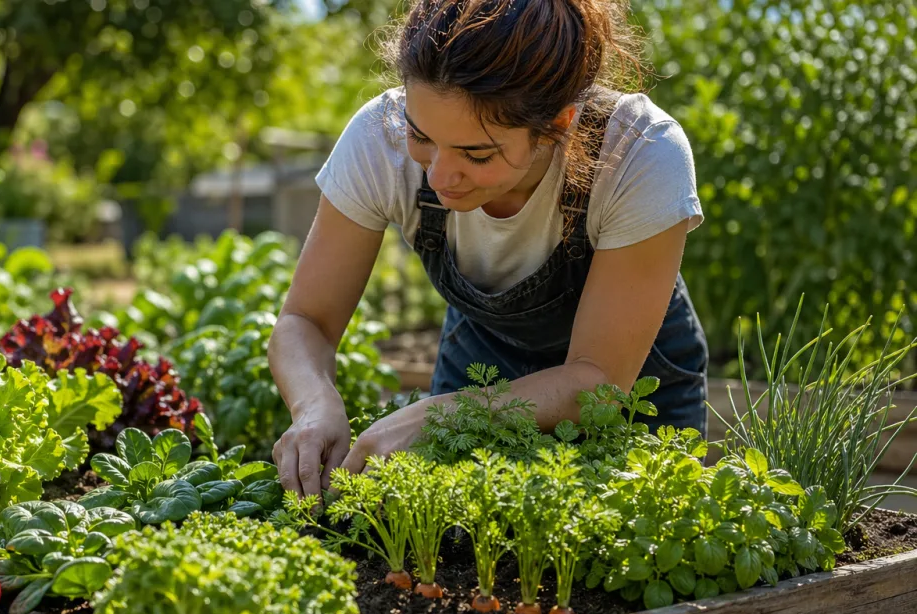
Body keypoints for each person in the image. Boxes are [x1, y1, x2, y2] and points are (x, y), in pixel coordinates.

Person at [268, 0, 708, 499]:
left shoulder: (641, 153)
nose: (438, 175)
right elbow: (305, 321)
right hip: (480, 361)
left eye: (477, 154)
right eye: (421, 135)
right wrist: (314, 403)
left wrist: (441, 415)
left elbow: (597, 382)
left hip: (633, 384)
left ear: (559, 123)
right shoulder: (379, 137)